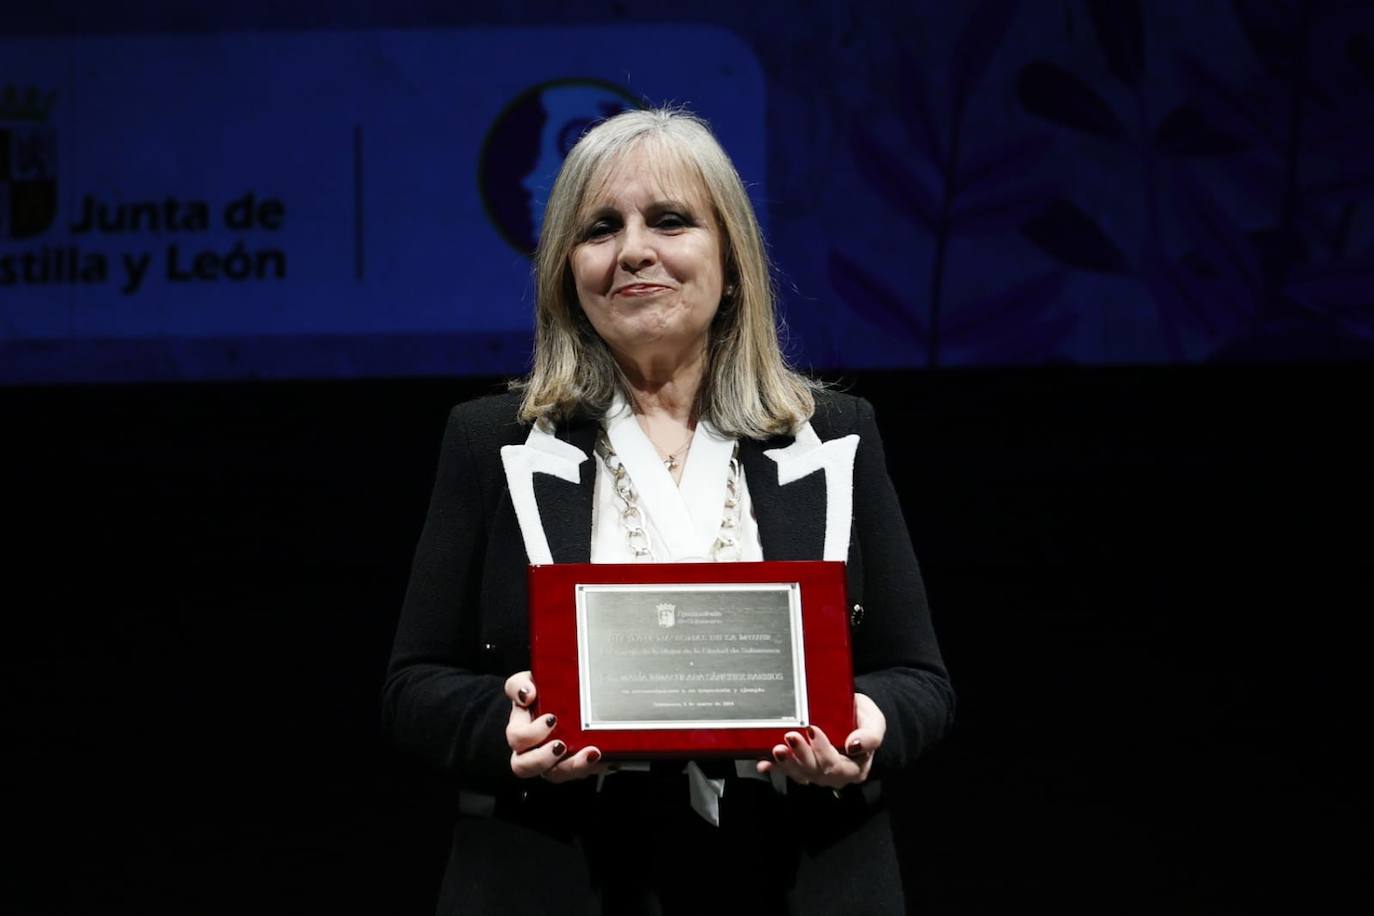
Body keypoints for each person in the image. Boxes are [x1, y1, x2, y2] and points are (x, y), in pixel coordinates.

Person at [383, 108, 954, 915]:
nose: (634, 251)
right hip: (557, 873)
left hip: (801, 871)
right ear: (566, 271)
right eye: (600, 228)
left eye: (671, 221)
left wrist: (865, 723)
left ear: (731, 261)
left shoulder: (833, 436)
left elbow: (920, 678)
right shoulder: (489, 443)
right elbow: (411, 687)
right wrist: (500, 729)